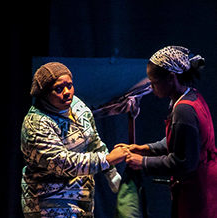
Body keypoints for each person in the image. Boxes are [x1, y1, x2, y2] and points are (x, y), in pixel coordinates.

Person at [115, 46, 217, 218]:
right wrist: (145, 148)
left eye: (154, 83)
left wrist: (144, 163)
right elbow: (178, 141)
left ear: (171, 78)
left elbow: (185, 162)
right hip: (201, 181)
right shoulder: (191, 96)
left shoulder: (184, 110)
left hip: (198, 189)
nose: (151, 88)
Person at [21, 62, 129, 218]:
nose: (67, 92)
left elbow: (93, 140)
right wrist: (106, 159)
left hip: (80, 200)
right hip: (49, 204)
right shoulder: (36, 123)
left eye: (69, 86)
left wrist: (111, 173)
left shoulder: (77, 106)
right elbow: (61, 163)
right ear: (44, 93)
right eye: (58, 88)